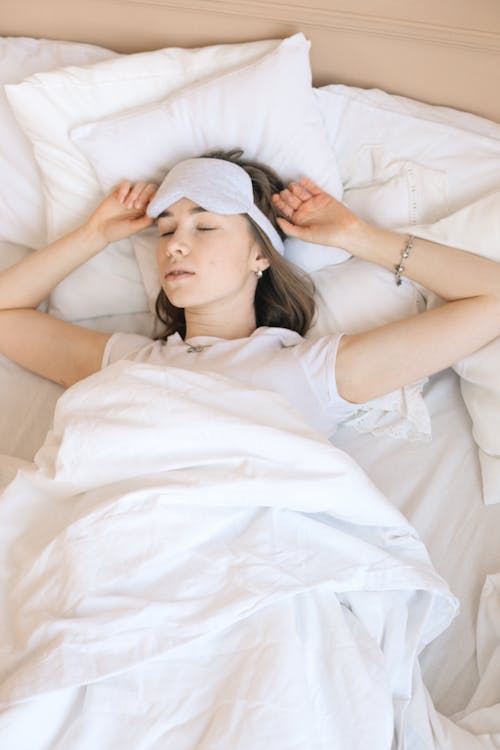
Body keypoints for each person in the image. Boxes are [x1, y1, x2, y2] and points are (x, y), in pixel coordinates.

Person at [1, 148, 500, 438]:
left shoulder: (310, 371)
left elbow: (491, 298)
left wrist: (357, 236)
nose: (175, 245)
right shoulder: (129, 362)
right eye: (166, 229)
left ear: (260, 255)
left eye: (206, 227)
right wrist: (93, 236)